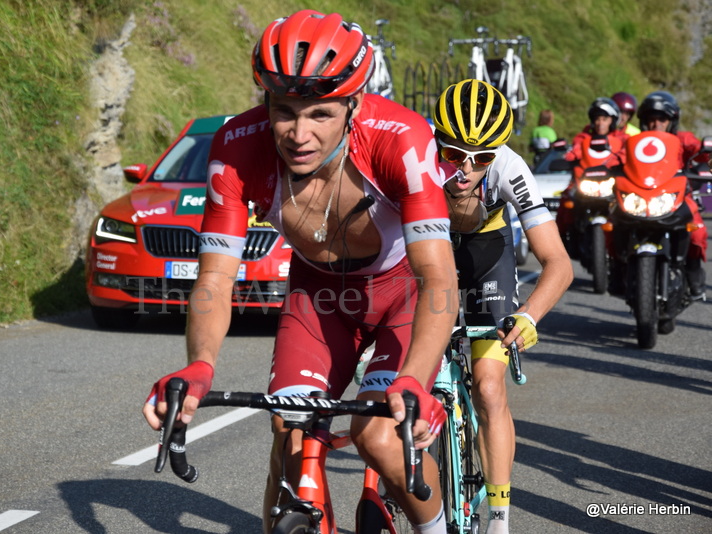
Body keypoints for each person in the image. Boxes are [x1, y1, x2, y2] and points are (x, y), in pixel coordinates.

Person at [143, 10, 460, 533]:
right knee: (290, 430)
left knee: (380, 438)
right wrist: (200, 365)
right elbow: (216, 278)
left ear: (353, 105)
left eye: (320, 114)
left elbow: (437, 280)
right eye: (285, 110)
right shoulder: (237, 148)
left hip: (401, 294)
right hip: (317, 299)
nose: (298, 134)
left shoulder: (399, 138)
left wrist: (413, 380)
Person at [432, 79, 573, 534]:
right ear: (436, 141)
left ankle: (499, 517)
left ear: (498, 153)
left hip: (486, 256)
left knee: (489, 390)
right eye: (454, 154)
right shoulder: (414, 157)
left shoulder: (510, 167)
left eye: (482, 158)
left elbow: (558, 262)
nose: (467, 169)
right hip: (427, 248)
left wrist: (529, 314)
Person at [634, 90, 707, 299]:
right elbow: (619, 156)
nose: (656, 124)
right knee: (613, 224)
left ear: (671, 121)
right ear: (644, 121)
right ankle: (618, 270)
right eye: (651, 119)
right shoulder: (636, 142)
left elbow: (699, 149)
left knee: (698, 232)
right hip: (640, 198)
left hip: (678, 197)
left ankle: (693, 272)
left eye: (662, 119)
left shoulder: (683, 138)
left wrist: (708, 154)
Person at [556, 97, 627, 242]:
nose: (600, 123)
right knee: (566, 199)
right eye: (597, 119)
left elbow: (628, 154)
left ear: (612, 120)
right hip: (586, 183)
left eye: (604, 119)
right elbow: (576, 150)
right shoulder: (583, 138)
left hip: (612, 184)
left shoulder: (623, 139)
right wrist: (568, 157)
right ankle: (560, 239)